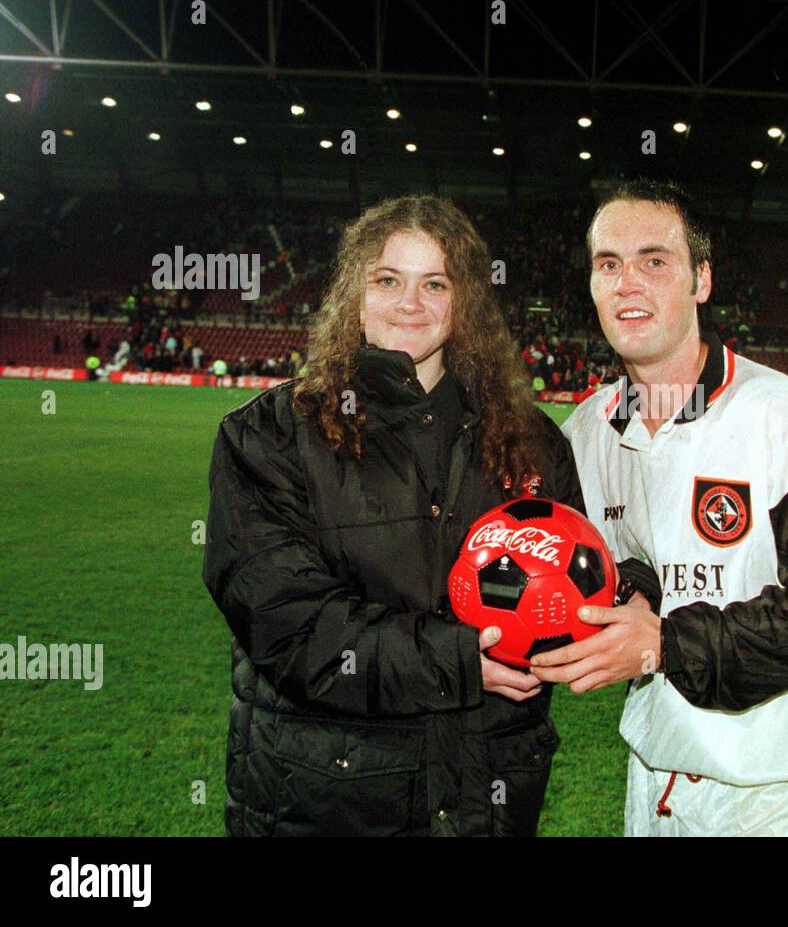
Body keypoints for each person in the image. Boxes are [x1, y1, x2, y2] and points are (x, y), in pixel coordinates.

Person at [202, 194, 583, 836]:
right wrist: (457, 663)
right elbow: (288, 624)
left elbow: (579, 573)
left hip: (484, 795)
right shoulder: (267, 435)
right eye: (388, 280)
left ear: (464, 304)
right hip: (324, 797)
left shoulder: (531, 440)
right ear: (355, 294)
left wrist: (626, 597)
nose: (411, 303)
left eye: (435, 283)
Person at [533, 180, 788, 836]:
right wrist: (626, 593)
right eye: (609, 264)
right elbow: (615, 565)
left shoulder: (778, 413)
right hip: (657, 758)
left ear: (701, 280)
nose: (628, 282)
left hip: (776, 771)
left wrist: (664, 643)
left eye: (654, 261)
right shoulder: (584, 434)